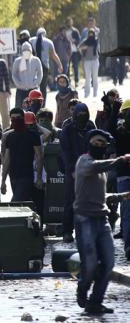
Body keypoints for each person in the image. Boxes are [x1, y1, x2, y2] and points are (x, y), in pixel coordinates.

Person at [73, 130, 130, 315]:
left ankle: (95, 303)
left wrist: (122, 196)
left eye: (102, 144)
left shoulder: (102, 171)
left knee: (108, 263)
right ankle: (82, 290)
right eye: (96, 142)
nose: (99, 146)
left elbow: (102, 197)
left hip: (102, 221)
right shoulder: (84, 161)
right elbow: (95, 166)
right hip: (85, 220)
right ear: (89, 143)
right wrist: (120, 160)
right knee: (89, 264)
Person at [59, 102, 95, 243]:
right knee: (70, 201)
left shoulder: (91, 126)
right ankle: (67, 231)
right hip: (72, 170)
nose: (82, 117)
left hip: (89, 168)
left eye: (84, 115)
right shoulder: (67, 130)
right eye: (79, 115)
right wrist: (72, 170)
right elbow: (65, 152)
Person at [1, 109, 43, 207]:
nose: (15, 120)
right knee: (23, 205)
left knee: (14, 204)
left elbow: (39, 157)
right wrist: (3, 181)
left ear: (23, 119)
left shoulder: (32, 135)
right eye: (13, 119)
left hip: (26, 176)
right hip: (13, 177)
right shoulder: (10, 136)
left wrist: (39, 178)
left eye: (18, 118)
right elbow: (7, 160)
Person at [29, 27, 63, 98]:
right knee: (43, 86)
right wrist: (60, 65)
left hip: (33, 66)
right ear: (45, 34)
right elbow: (54, 55)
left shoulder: (31, 40)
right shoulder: (48, 42)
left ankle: (33, 102)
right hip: (44, 66)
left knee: (33, 86)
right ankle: (43, 104)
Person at [115, 101, 130, 259]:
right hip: (124, 176)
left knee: (126, 213)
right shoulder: (119, 132)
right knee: (126, 213)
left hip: (123, 177)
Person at [12, 42, 43, 109]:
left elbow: (40, 73)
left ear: (31, 50)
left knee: (35, 109)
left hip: (33, 90)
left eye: (28, 50)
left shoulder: (36, 60)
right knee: (19, 110)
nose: (26, 52)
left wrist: (36, 83)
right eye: (24, 50)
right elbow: (14, 74)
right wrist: (18, 84)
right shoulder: (17, 61)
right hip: (21, 90)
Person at [79, 28, 100, 98]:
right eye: (90, 33)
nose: (91, 35)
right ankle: (86, 93)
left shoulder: (96, 40)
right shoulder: (85, 41)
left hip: (95, 60)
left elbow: (99, 49)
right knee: (87, 78)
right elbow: (79, 47)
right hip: (87, 61)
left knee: (95, 77)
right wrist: (84, 48)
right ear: (88, 34)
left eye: (92, 33)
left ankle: (95, 93)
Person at [65, 18, 82, 87]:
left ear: (72, 23)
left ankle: (76, 81)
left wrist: (75, 41)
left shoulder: (75, 31)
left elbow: (79, 40)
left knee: (75, 66)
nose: (69, 23)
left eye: (70, 22)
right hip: (67, 52)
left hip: (74, 51)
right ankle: (68, 81)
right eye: (68, 22)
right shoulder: (65, 31)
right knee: (67, 67)